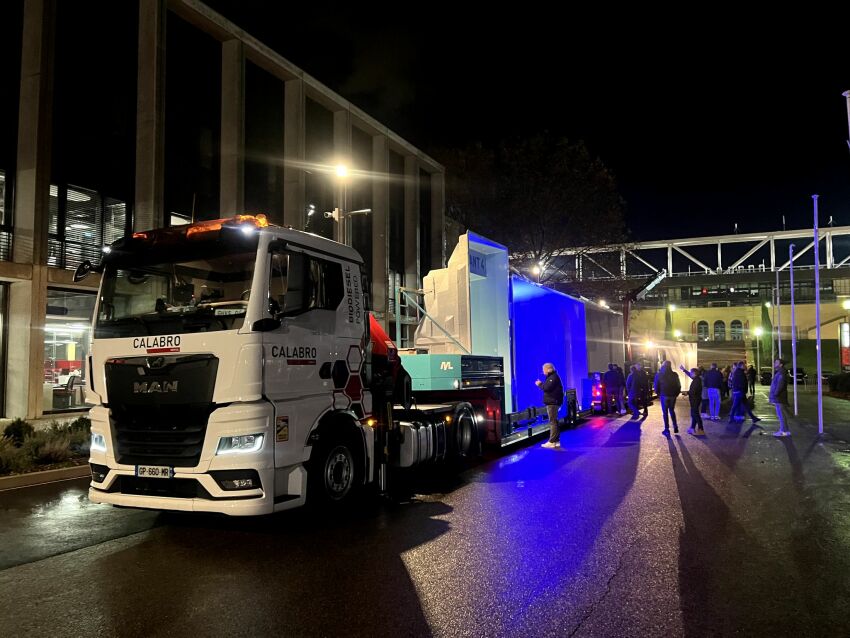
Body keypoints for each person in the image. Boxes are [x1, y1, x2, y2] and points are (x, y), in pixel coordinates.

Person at [536, 363, 564, 448]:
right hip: (554, 402)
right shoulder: (552, 377)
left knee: (552, 422)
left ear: (549, 369)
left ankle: (552, 441)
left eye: (544, 370)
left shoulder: (553, 377)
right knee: (554, 421)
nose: (543, 372)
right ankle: (556, 440)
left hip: (552, 403)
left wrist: (539, 384)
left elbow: (547, 388)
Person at [654, 360, 681, 434]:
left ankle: (667, 429)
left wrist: (658, 394)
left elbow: (656, 386)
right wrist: (676, 393)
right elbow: (678, 385)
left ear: (663, 365)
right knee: (672, 410)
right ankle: (675, 427)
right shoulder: (675, 374)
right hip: (673, 395)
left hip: (664, 395)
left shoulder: (659, 374)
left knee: (665, 412)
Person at [769, 359, 791, 437]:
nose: (774, 363)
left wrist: (775, 394)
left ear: (781, 364)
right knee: (781, 414)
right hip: (779, 397)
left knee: (781, 415)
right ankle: (786, 430)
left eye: (776, 362)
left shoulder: (781, 373)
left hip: (779, 397)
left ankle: (783, 431)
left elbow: (780, 385)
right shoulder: (780, 372)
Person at [681, 365, 705, 435]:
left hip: (695, 399)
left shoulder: (696, 381)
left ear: (694, 373)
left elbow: (693, 391)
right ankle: (692, 428)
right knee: (694, 414)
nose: (690, 374)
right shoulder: (696, 379)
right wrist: (684, 370)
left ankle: (701, 429)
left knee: (695, 414)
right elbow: (690, 375)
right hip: (695, 399)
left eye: (691, 373)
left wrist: (687, 392)